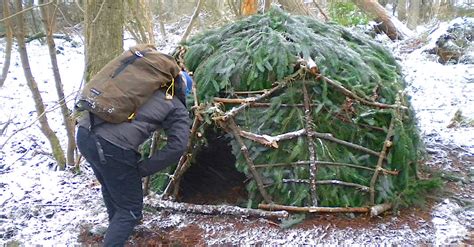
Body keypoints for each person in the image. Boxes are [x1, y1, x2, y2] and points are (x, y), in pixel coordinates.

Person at [76, 69, 192, 246]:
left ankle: (117, 229)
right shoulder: (175, 105)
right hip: (112, 147)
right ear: (183, 90)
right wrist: (142, 169)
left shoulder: (143, 89)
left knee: (111, 184)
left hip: (85, 133)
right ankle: (116, 235)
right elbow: (177, 147)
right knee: (130, 209)